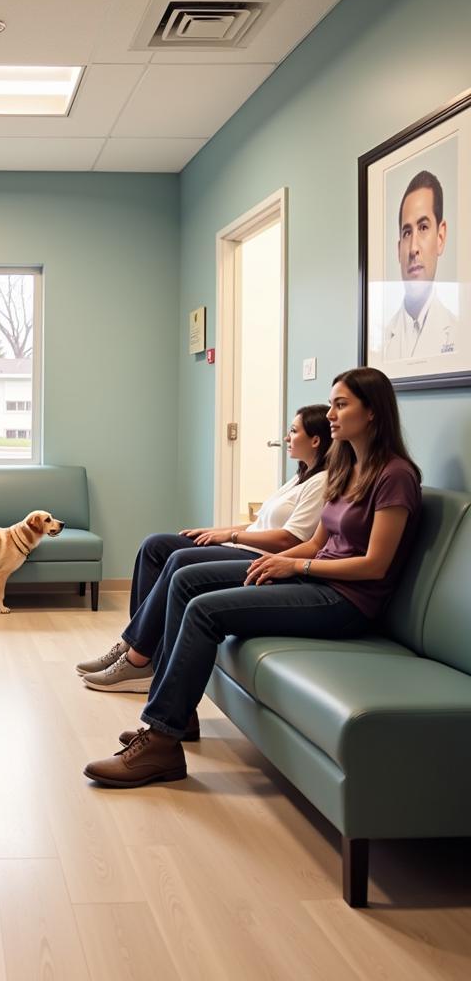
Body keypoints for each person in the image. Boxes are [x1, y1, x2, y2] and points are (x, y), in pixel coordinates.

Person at [84, 367, 422, 788]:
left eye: (341, 404)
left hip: (346, 602)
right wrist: (271, 562)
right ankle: (176, 715)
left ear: (372, 413)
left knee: (205, 611)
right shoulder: (345, 465)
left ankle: (161, 744)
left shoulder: (396, 476)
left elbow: (375, 565)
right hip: (315, 580)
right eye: (332, 404)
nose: (331, 414)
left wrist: (295, 566)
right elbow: (317, 541)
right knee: (185, 579)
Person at [77, 404, 333, 694]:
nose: (287, 438)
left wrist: (233, 537)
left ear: (316, 440)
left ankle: (138, 659)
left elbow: (290, 540)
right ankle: (134, 642)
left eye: (294, 431)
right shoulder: (300, 476)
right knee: (155, 545)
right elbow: (261, 523)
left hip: (263, 557)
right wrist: (219, 532)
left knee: (178, 559)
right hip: (247, 547)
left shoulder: (322, 482)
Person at [382, 170, 457, 360]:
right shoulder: (381, 342)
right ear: (399, 249)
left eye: (423, 227)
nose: (413, 248)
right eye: (407, 233)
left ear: (440, 238)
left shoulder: (460, 332)